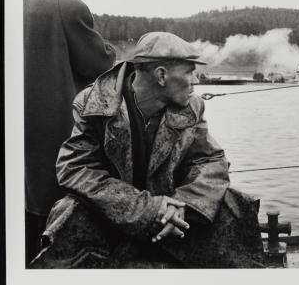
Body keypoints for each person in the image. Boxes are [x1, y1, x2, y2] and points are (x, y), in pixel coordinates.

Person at [30, 32, 265, 269]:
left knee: (235, 205)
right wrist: (147, 210)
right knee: (67, 212)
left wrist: (182, 205)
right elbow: (75, 168)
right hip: (111, 213)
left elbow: (210, 160)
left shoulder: (192, 106)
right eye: (188, 71)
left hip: (176, 210)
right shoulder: (92, 104)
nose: (194, 81)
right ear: (161, 75)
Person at [23, 0, 116, 265]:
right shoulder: (67, 6)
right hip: (53, 128)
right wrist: (110, 48)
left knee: (26, 203)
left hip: (19, 124)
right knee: (56, 203)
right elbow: (99, 61)